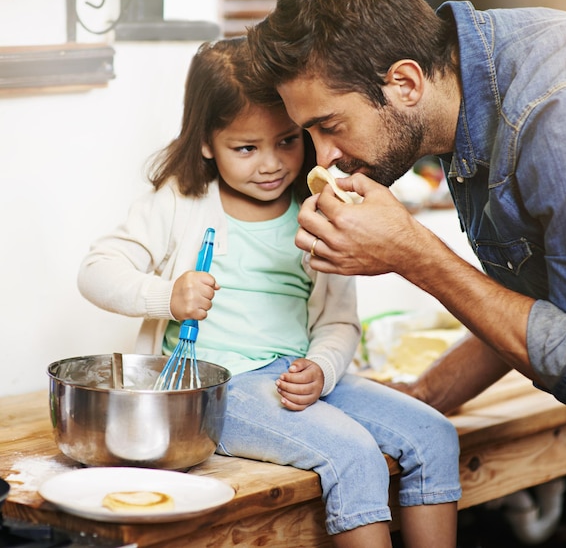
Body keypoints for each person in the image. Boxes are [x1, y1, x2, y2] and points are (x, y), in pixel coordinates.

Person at [246, 0, 566, 547]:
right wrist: (427, 395)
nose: (322, 158)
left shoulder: (560, 112)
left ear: (403, 82)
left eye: (331, 125)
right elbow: (544, 296)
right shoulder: (467, 100)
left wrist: (412, 251)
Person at [77, 36, 461, 548]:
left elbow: (338, 323)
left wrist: (322, 368)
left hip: (300, 377)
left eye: (286, 141)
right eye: (246, 148)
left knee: (435, 436)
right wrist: (166, 296)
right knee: (353, 454)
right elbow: (97, 271)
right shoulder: (180, 203)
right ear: (206, 143)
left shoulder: (322, 212)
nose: (272, 163)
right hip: (219, 389)